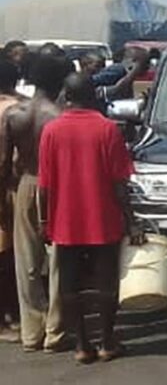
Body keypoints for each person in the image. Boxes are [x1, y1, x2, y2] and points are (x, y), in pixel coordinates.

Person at [39, 73, 141, 364]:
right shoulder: (108, 129)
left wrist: (45, 222)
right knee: (106, 282)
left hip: (65, 220)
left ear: (65, 97)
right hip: (104, 218)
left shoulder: (52, 131)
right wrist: (131, 220)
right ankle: (108, 342)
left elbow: (45, 185)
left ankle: (83, 346)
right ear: (93, 95)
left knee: (69, 285)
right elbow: (120, 183)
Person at [0, 55, 70, 352]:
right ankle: (55, 331)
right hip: (57, 186)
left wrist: (4, 199)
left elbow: (3, 163)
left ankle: (31, 333)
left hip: (24, 183)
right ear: (59, 83)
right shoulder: (60, 116)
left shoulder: (14, 114)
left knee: (26, 262)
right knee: (58, 261)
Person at [0, 59, 23, 343]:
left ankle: (8, 315)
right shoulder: (16, 108)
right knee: (10, 255)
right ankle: (9, 316)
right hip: (11, 186)